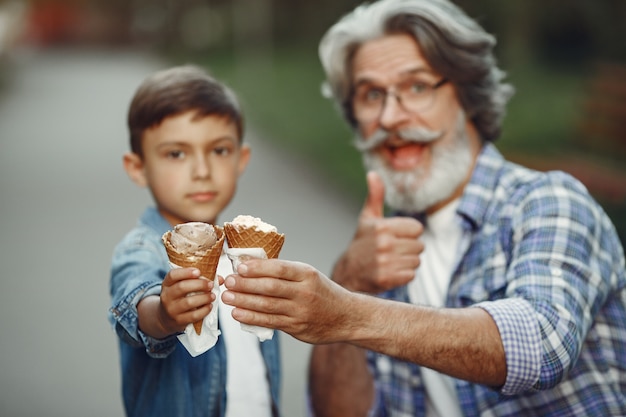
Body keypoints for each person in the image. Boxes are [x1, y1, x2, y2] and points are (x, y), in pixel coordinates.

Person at [220, 0, 626, 416]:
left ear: (467, 95)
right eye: (371, 95)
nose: (390, 117)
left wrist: (347, 312)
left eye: (417, 87)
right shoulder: (380, 252)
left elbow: (542, 345)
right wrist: (350, 277)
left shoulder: (550, 202)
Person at [108, 65, 281, 417]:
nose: (202, 170)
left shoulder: (245, 249)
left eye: (219, 151)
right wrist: (165, 314)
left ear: (241, 159)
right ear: (137, 167)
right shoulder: (140, 250)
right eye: (176, 154)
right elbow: (140, 307)